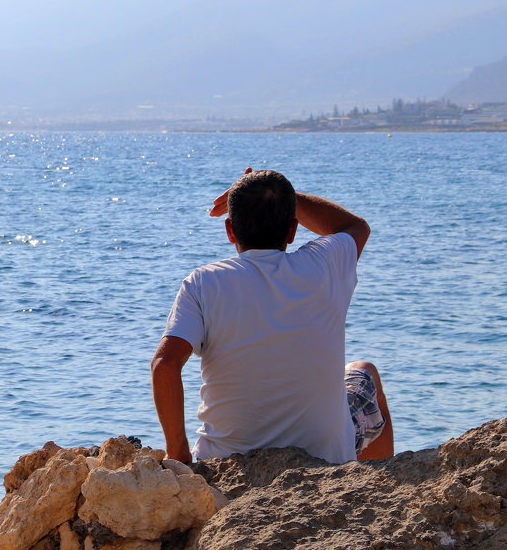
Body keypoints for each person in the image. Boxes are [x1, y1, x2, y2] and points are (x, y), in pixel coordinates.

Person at [151, 167, 393, 465]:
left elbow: (164, 365)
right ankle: (373, 484)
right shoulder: (325, 264)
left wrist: (178, 454)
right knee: (364, 372)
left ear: (230, 230)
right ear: (292, 230)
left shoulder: (203, 282)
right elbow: (354, 226)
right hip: (324, 457)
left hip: (225, 458)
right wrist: (286, 196)